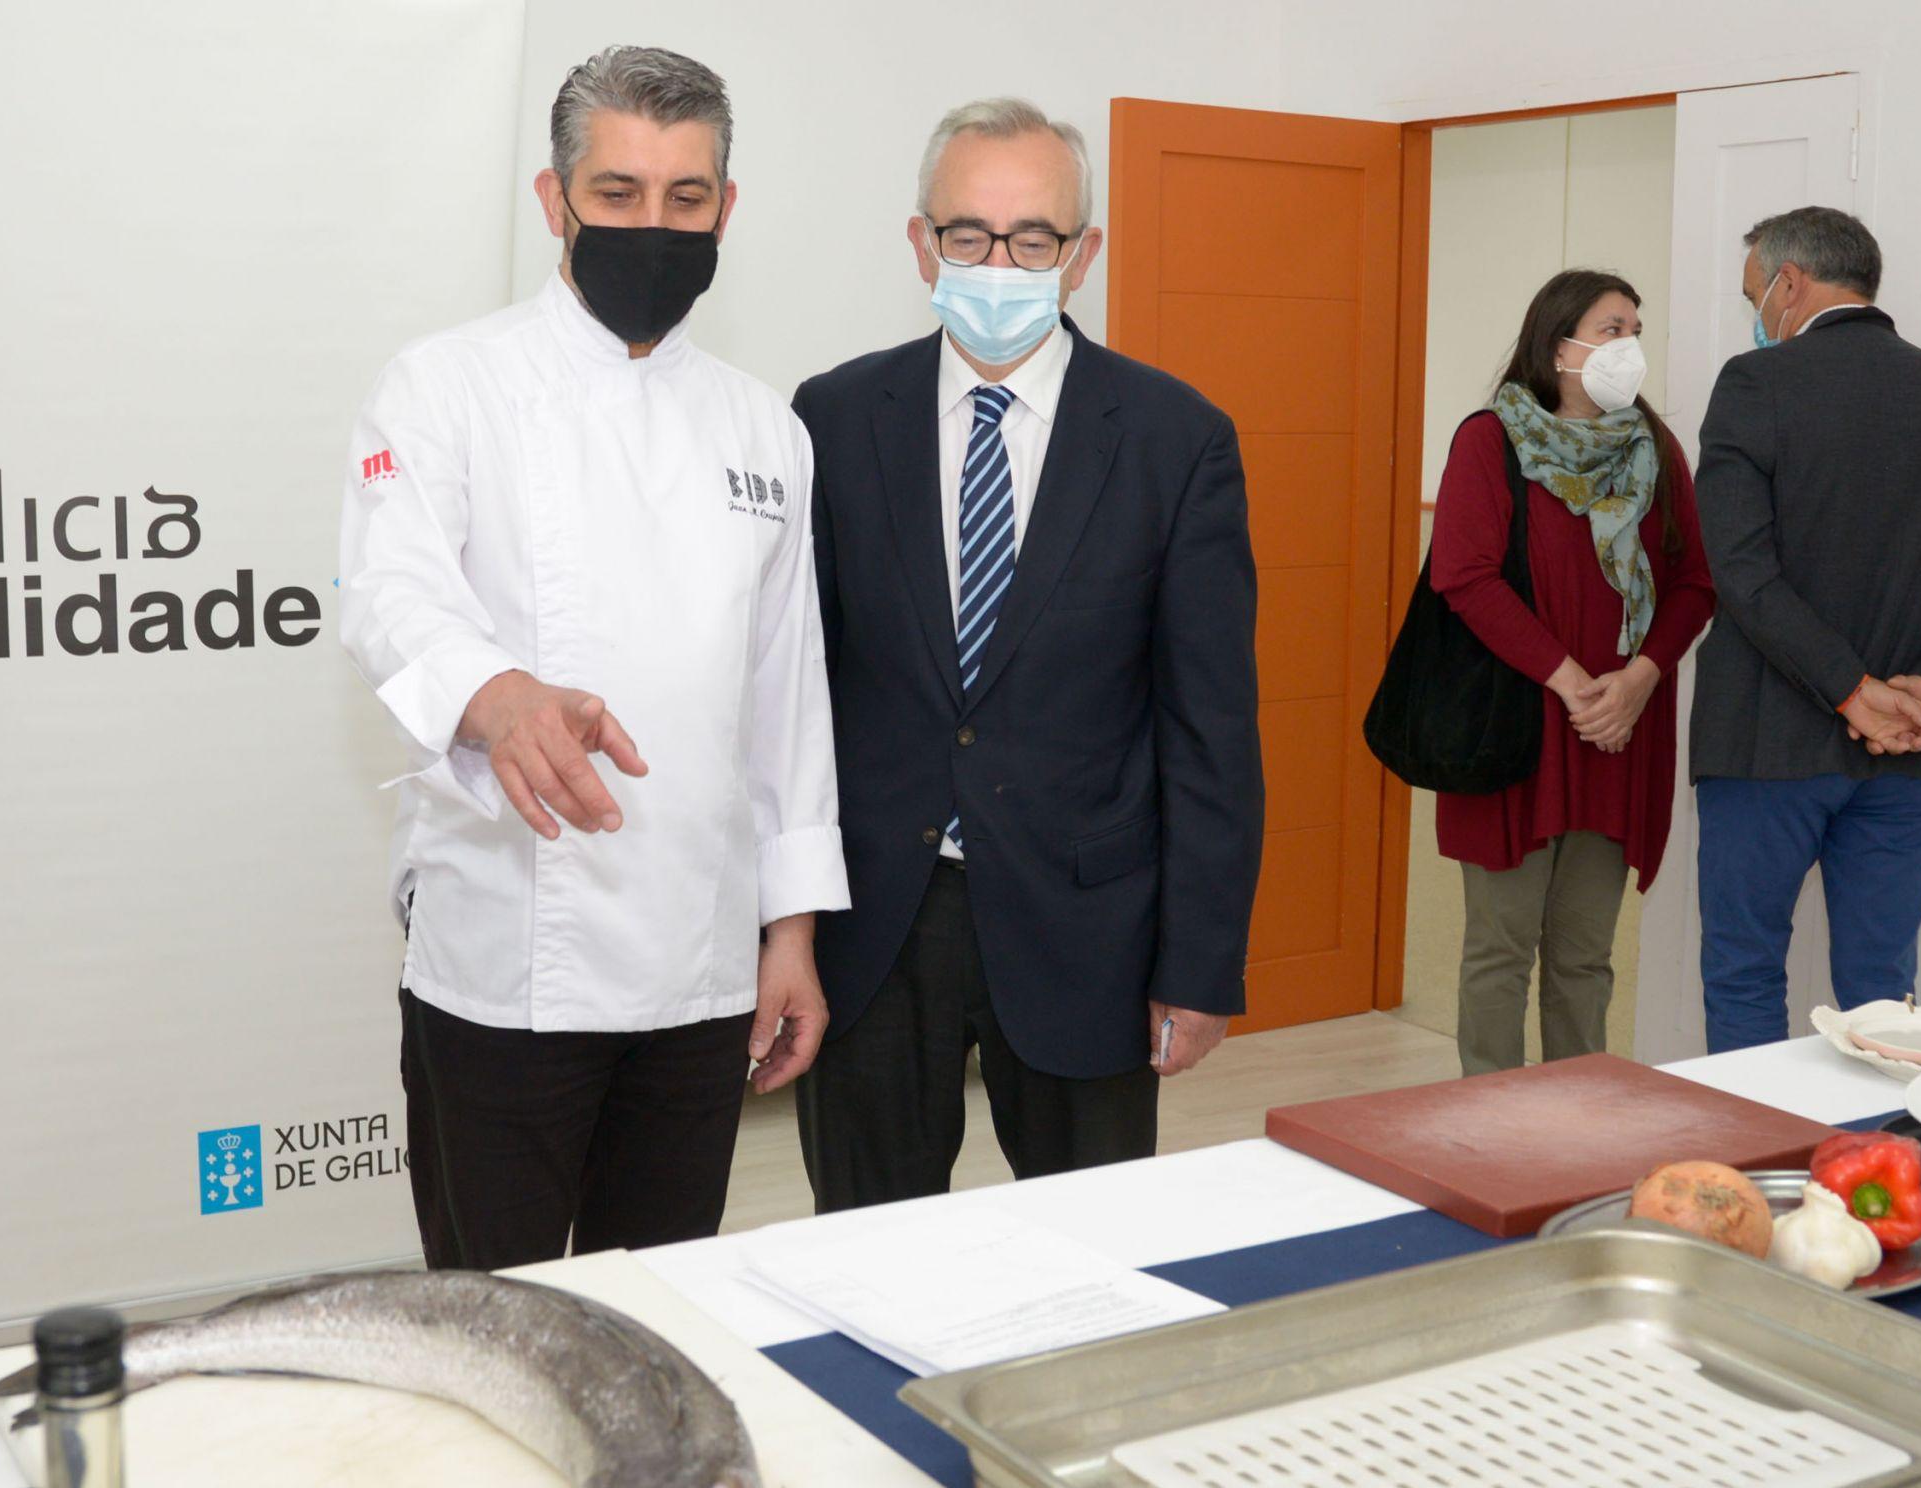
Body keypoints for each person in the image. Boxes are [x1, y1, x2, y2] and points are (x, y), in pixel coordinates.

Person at [337, 46, 848, 1269]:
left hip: (700, 962)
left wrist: (792, 931)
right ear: (553, 200)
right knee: (494, 1308)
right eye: (617, 193)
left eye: (685, 198)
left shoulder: (763, 427)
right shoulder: (446, 385)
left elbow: (783, 700)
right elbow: (385, 593)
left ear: (726, 207)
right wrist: (495, 693)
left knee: (664, 1293)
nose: (652, 224)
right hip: (507, 961)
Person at [787, 98, 1261, 1213]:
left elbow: (1210, 728)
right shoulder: (832, 417)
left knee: (1087, 1260)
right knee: (865, 1252)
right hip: (872, 927)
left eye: (1034, 237)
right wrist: (782, 925)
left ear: (1081, 254)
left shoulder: (1173, 439)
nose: (998, 262)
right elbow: (792, 701)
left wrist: (1198, 964)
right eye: (967, 234)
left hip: (1085, 926)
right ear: (922, 245)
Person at [1692, 206, 1921, 1052]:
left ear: (1791, 283)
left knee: (1746, 970)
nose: (1757, 316)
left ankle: (1763, 1177)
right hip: (1915, 751)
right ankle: (1884, 1176)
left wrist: (1851, 692)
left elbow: (1743, 572)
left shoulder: (1756, 385)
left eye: (1756, 293)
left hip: (1765, 744)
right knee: (1883, 997)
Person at [1430, 271, 1714, 1076]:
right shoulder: (1491, 441)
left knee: (1585, 958)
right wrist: (1570, 681)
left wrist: (1639, 680)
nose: (1629, 345)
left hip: (1613, 737)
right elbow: (1465, 575)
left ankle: (1575, 1125)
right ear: (1561, 346)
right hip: (1516, 733)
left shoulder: (1654, 448)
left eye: (1635, 328)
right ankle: (1491, 1127)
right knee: (1499, 952)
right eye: (1611, 327)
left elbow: (1695, 581)